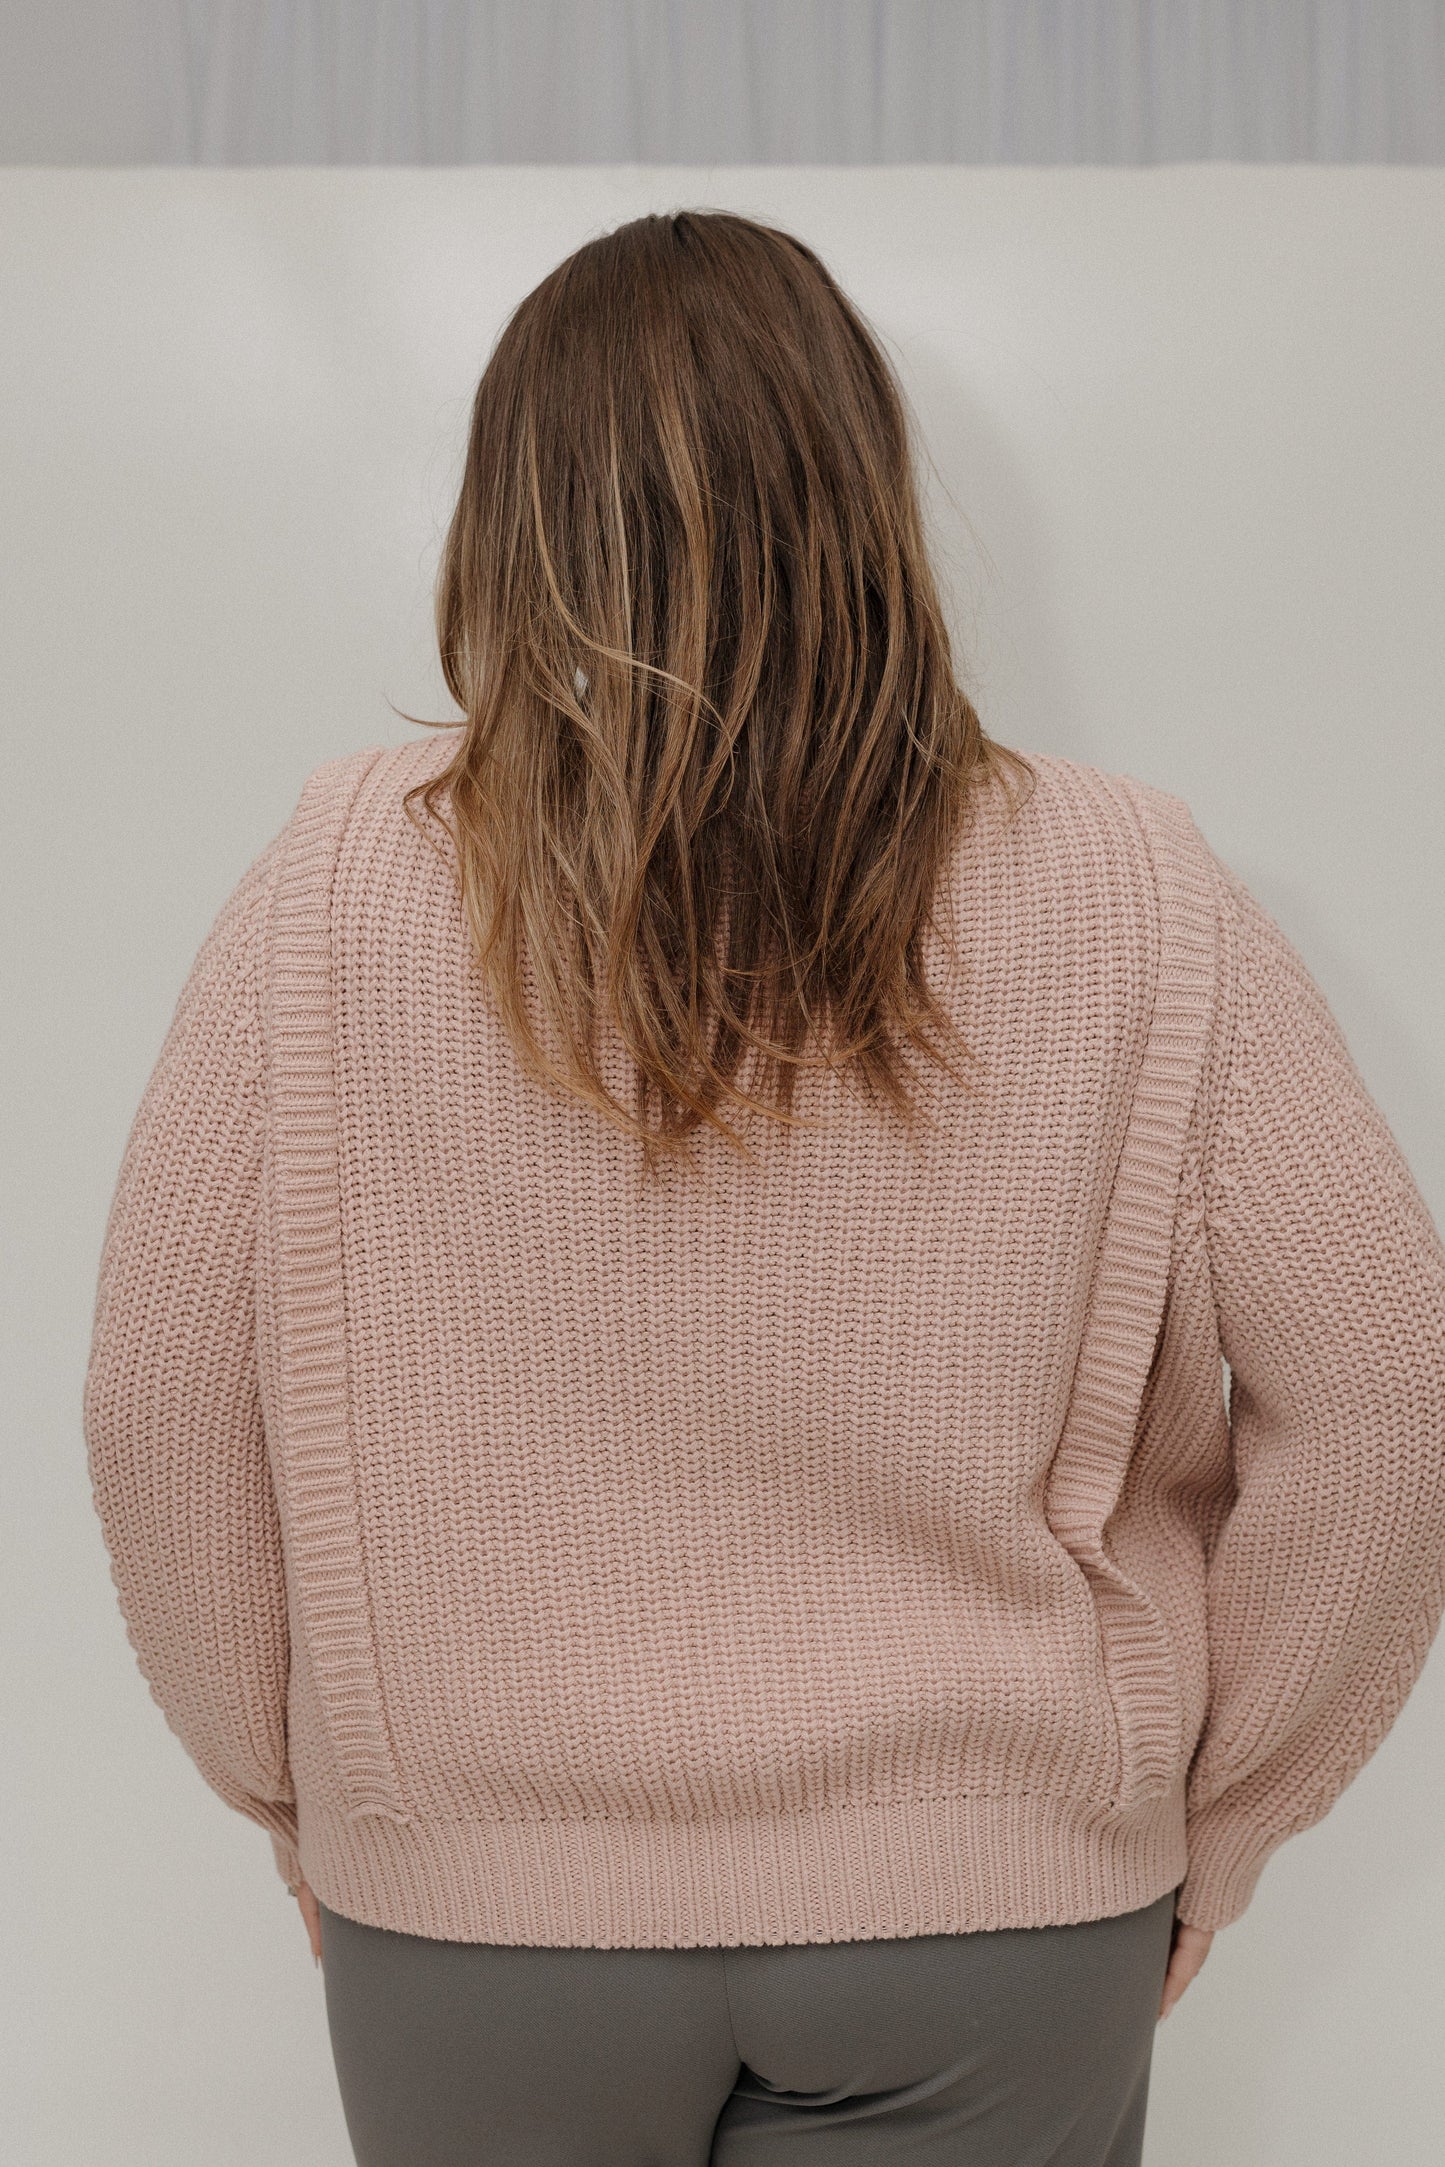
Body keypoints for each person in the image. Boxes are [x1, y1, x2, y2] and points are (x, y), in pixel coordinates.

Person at [83, 210, 1445, 2167]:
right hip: (996, 1918)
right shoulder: (1138, 884)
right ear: (866, 497)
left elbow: (149, 1404)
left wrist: (304, 1793)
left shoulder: (331, 880)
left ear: (513, 516)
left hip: (477, 1921)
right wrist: (1220, 1814)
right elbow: (1391, 1389)